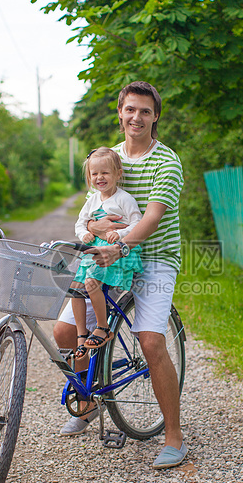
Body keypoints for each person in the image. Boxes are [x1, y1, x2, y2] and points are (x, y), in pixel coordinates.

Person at [54, 81, 187, 469]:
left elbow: (152, 216)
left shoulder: (167, 161)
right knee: (64, 332)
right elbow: (92, 211)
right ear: (120, 112)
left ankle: (174, 436)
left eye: (145, 111)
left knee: (149, 340)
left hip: (155, 257)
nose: (137, 117)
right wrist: (92, 234)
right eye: (130, 109)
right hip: (107, 257)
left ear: (155, 116)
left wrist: (122, 245)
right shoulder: (109, 158)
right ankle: (88, 402)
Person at [71, 147, 143, 359]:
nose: (99, 178)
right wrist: (84, 233)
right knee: (75, 287)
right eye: (95, 174)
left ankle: (103, 328)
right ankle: (81, 335)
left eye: (105, 173)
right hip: (94, 251)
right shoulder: (92, 200)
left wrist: (120, 236)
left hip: (116, 253)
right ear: (89, 177)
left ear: (117, 174)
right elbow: (80, 223)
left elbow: (137, 223)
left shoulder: (124, 199)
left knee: (92, 283)